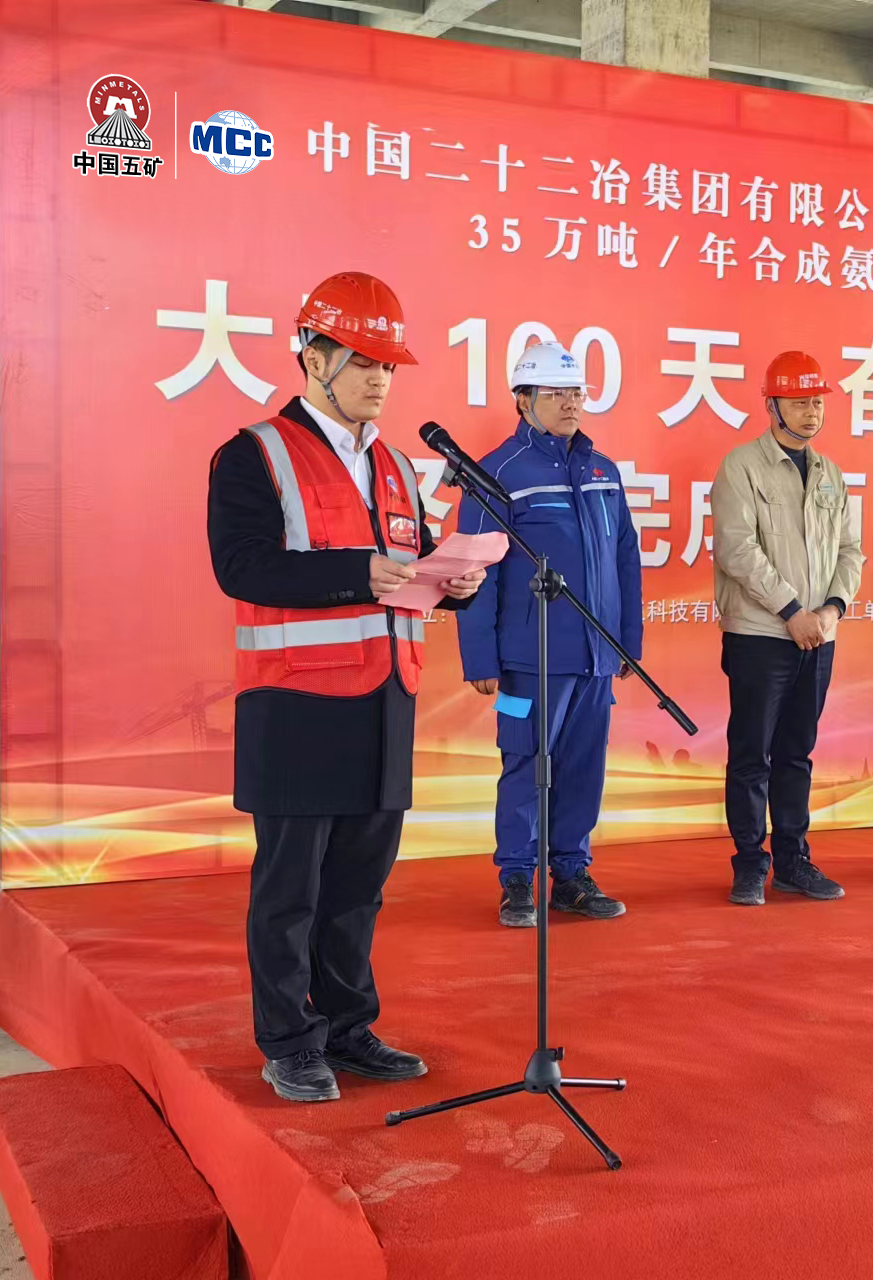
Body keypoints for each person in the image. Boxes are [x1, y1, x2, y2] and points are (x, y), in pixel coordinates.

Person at [207, 271, 486, 1103]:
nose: (379, 379)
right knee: (290, 888)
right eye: (362, 361)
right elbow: (242, 568)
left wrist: (452, 583)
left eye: (388, 365)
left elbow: (410, 565)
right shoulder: (255, 454)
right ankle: (289, 1041)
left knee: (360, 885)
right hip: (297, 701)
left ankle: (347, 1024)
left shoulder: (396, 466)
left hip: (387, 699)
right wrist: (355, 572)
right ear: (312, 356)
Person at [456, 341, 642, 928]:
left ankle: (571, 874)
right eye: (556, 393)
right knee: (524, 762)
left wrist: (626, 643)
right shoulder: (497, 472)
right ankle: (516, 878)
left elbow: (625, 559)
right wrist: (480, 657)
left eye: (576, 392)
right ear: (523, 399)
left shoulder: (602, 470)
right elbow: (474, 569)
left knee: (584, 766)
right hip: (526, 659)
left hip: (595, 657)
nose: (570, 403)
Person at [711, 351, 863, 906]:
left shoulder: (830, 474)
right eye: (798, 403)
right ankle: (751, 863)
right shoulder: (741, 466)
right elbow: (737, 549)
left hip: (818, 634)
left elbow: (851, 551)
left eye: (817, 402)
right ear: (771, 406)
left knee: (798, 752)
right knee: (752, 754)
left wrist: (831, 610)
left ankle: (793, 860)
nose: (811, 412)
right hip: (760, 634)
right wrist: (791, 610)